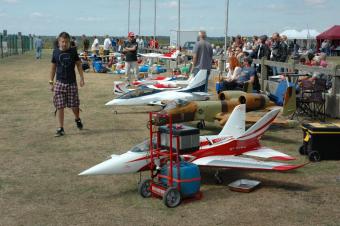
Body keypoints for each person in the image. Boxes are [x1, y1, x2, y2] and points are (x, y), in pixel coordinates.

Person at [50, 32, 85, 137]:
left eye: (66, 42)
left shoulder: (73, 51)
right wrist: (51, 82)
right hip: (60, 83)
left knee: (74, 106)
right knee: (60, 106)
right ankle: (61, 128)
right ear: (59, 41)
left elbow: (79, 65)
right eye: (62, 41)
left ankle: (77, 119)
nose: (64, 44)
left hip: (72, 83)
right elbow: (53, 68)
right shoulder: (55, 52)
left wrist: (82, 78)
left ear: (69, 41)